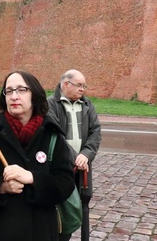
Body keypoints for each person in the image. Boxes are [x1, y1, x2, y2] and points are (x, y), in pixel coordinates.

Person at [0, 71, 75, 241]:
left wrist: (32, 177)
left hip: (39, 231)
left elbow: (65, 184)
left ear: (34, 94)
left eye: (21, 90)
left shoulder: (51, 134)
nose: (14, 96)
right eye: (9, 91)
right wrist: (0, 187)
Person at [47, 69, 102, 241]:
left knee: (83, 205)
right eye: (79, 85)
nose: (83, 89)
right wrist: (74, 158)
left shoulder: (87, 105)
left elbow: (96, 132)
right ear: (65, 84)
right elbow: (55, 135)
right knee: (61, 205)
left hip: (83, 167)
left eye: (84, 86)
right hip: (59, 168)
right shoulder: (50, 105)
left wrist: (85, 155)